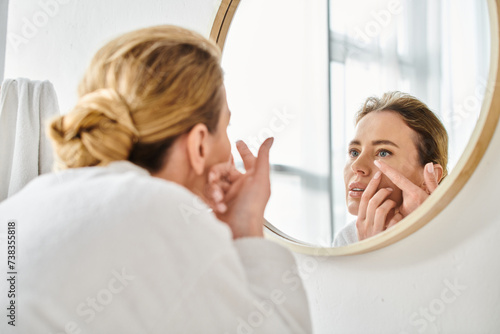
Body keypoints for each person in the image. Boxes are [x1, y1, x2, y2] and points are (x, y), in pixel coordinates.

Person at [0, 25, 311, 333]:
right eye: (226, 126)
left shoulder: (24, 202)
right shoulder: (164, 212)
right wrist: (247, 228)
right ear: (199, 144)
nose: (229, 147)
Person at [333, 91, 448, 247]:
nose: (357, 166)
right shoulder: (346, 239)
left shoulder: (455, 237)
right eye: (354, 152)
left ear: (429, 176)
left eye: (383, 152)